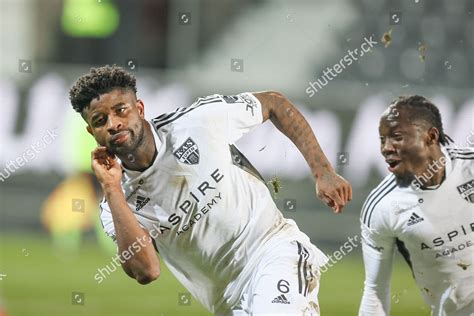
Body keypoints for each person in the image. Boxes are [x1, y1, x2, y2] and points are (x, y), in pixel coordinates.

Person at [69, 65, 352, 315]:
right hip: (227, 302)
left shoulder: (197, 122)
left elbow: (274, 103)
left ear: (139, 109)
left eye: (121, 110)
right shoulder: (114, 204)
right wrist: (112, 188)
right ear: (92, 132)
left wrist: (323, 171)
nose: (114, 123)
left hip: (274, 251)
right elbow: (147, 271)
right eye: (100, 120)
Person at [359, 95, 474, 316]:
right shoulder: (382, 206)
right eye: (382, 140)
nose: (386, 148)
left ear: (431, 136)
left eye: (396, 137)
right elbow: (375, 291)